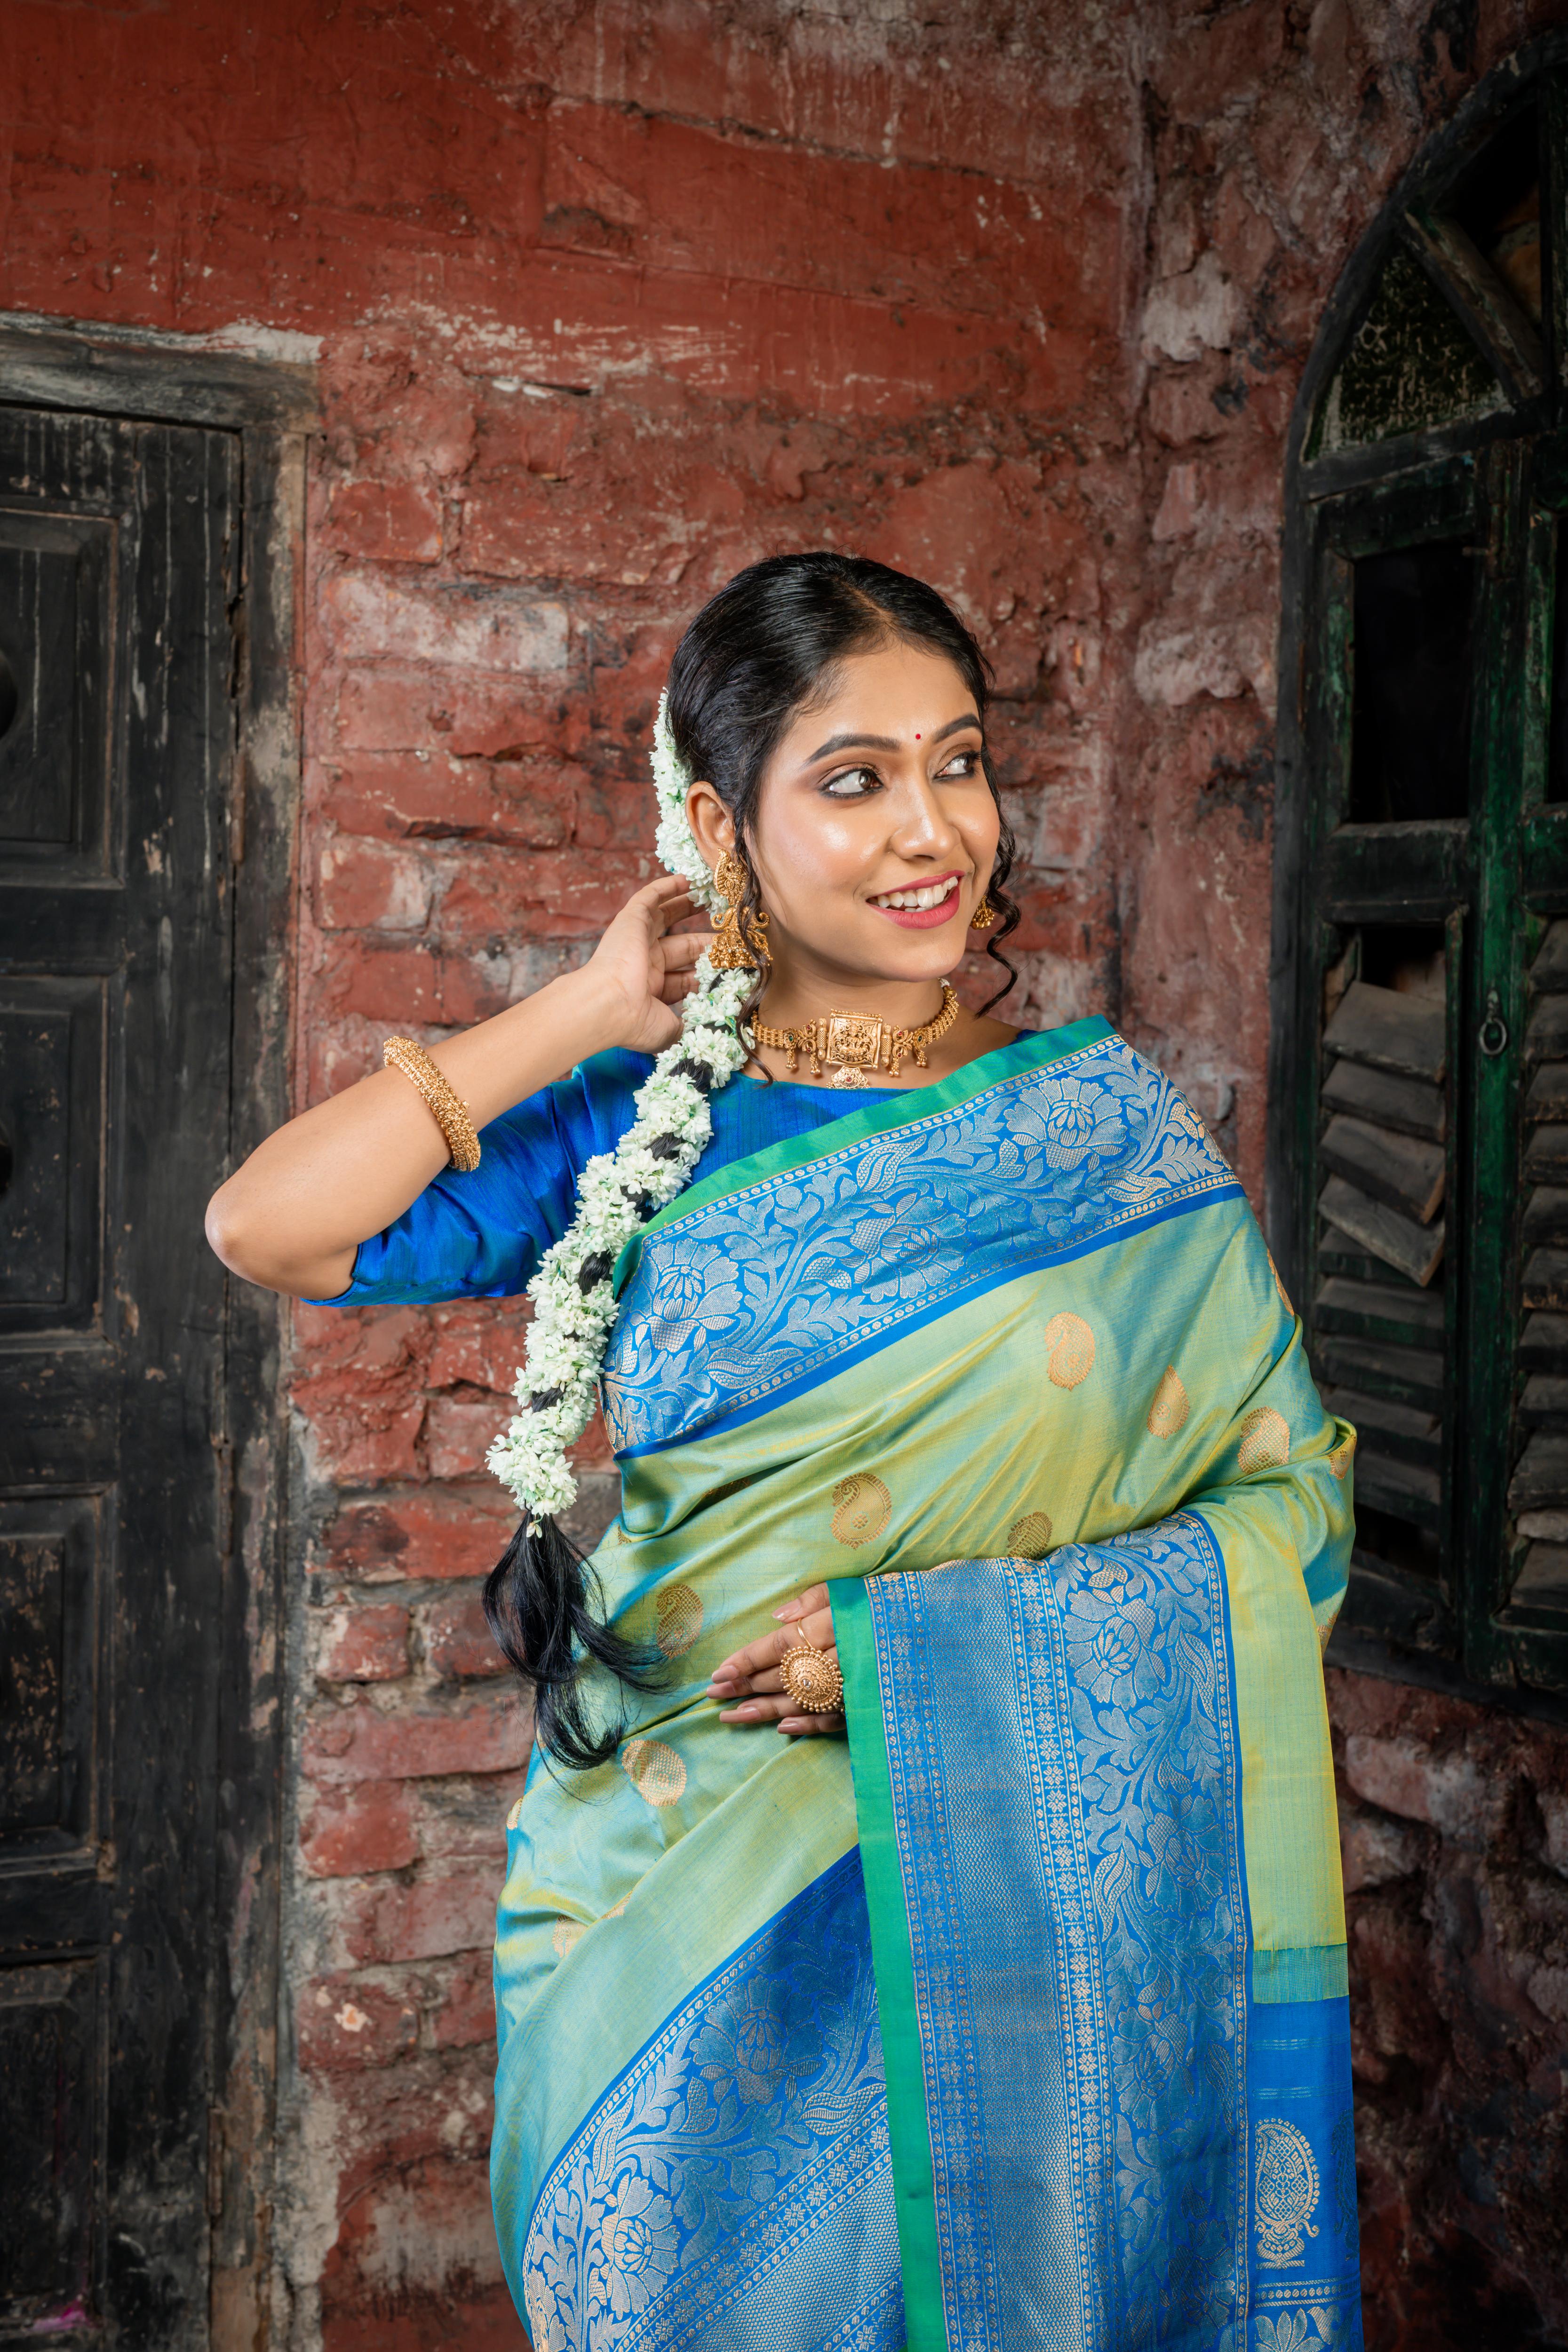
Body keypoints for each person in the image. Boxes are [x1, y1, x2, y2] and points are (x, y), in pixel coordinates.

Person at [208, 553, 1363, 2351]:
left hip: (1010, 1936)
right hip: (672, 1905)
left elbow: (1288, 1510)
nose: (935, 832)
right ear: (717, 826)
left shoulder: (1108, 1139)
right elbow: (267, 1226)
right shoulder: (644, 1121)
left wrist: (932, 1661)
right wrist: (592, 1009)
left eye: (960, 761)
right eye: (854, 779)